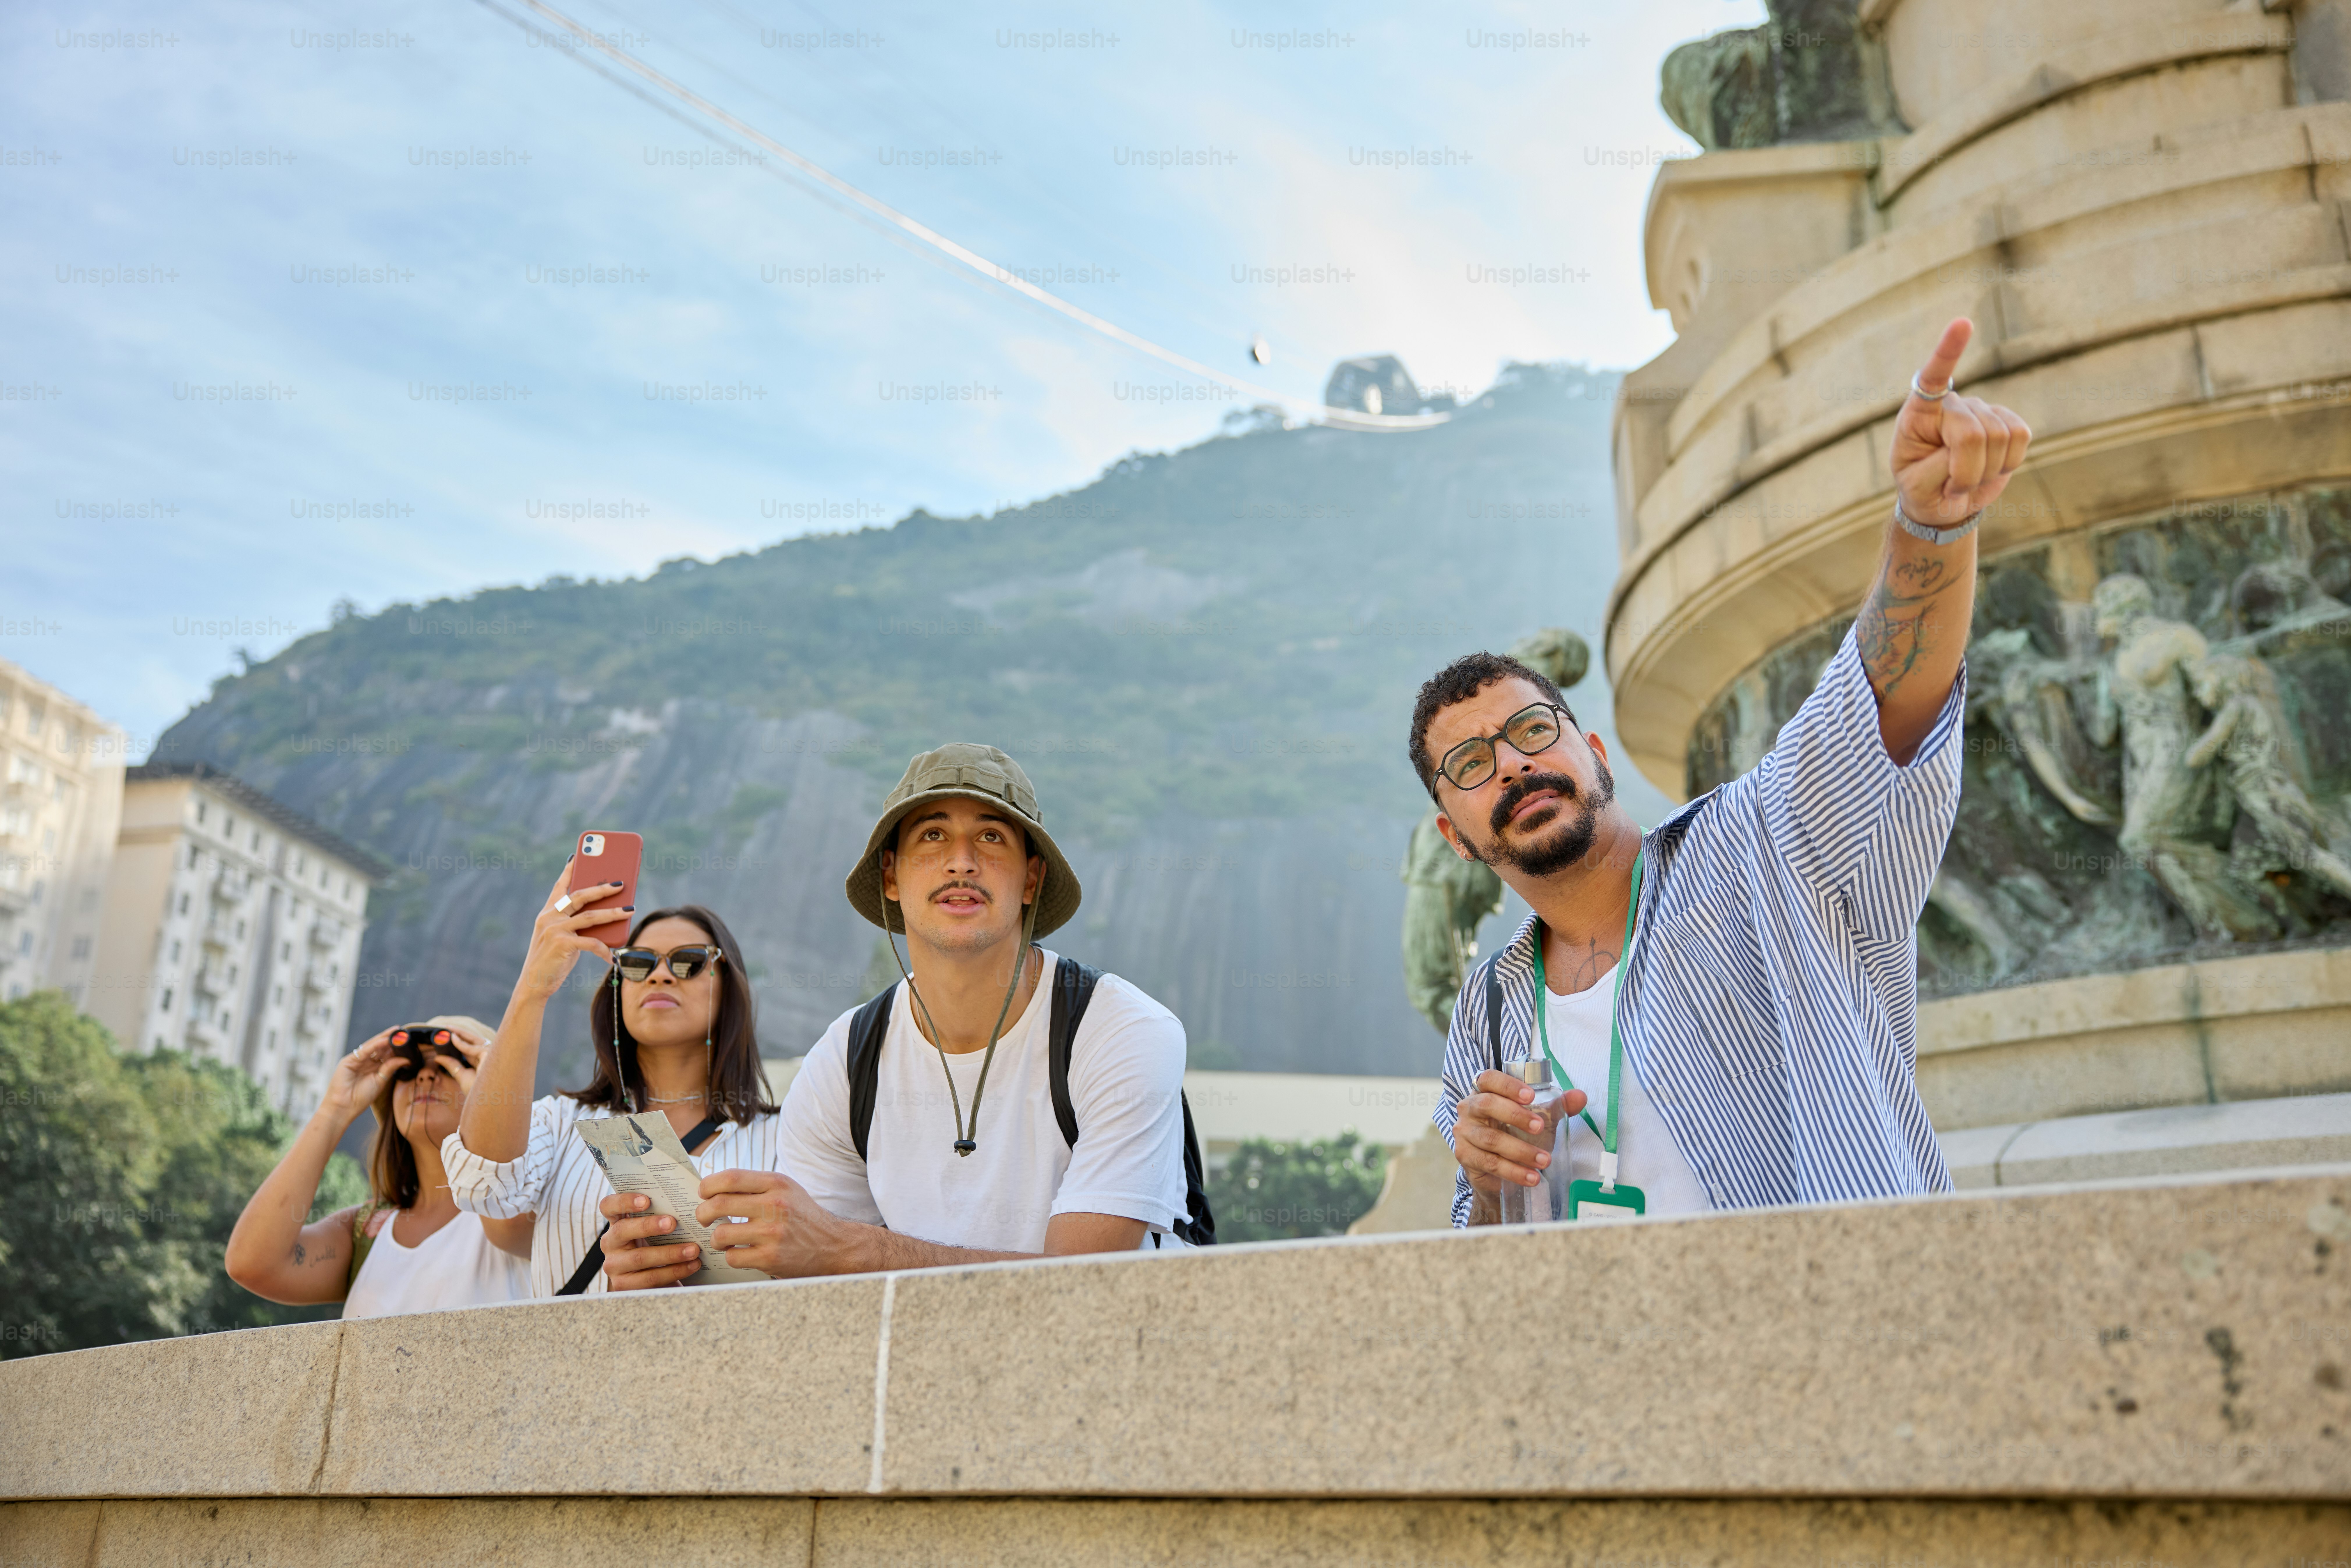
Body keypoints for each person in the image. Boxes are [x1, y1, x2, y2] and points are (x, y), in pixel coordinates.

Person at [1420, 319, 2033, 1223]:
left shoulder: (1767, 843)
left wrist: (1930, 527)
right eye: (1471, 762)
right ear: (1454, 837)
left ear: (1591, 754)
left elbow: (1878, 704)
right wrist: (1483, 1180)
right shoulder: (1488, 1005)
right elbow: (1491, 1238)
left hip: (1835, 1338)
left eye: (1530, 728)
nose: (1511, 761)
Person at [595, 744, 1203, 1288]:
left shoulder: (1120, 1031)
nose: (961, 862)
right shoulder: (845, 1058)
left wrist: (853, 1250)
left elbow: (1083, 1287)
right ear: (890, 875)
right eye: (932, 837)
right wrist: (672, 1277)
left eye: (992, 838)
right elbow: (811, 1287)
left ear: (1031, 879)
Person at [445, 870, 786, 1296]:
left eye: (688, 961)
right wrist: (533, 987)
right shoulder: (559, 1123)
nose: (660, 975)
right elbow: (484, 1187)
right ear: (617, 985)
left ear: (729, 985)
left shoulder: (788, 1137)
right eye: (638, 962)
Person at [225, 1016, 529, 1318]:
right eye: (408, 1070)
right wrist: (335, 1110)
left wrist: (498, 1090)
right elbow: (252, 1265)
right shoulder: (366, 1232)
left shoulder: (526, 1205)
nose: (424, 1077)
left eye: (450, 1066)